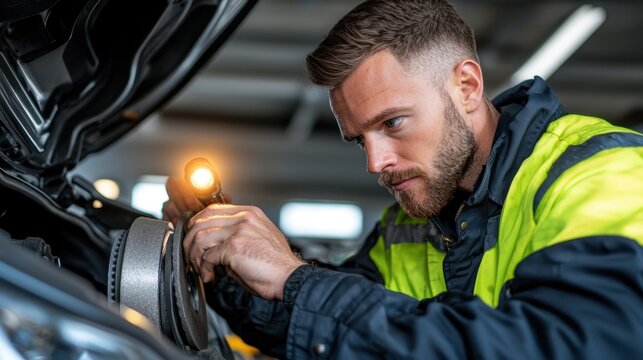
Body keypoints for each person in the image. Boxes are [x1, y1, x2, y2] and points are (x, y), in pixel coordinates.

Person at [163, 0, 643, 358]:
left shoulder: (602, 175)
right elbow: (326, 331)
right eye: (359, 139)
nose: (375, 162)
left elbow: (563, 345)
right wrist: (227, 263)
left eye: (392, 123)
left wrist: (296, 277)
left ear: (467, 87)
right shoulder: (411, 224)